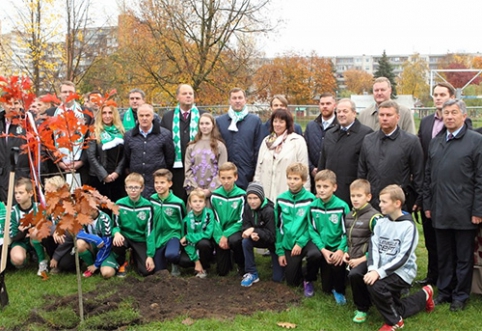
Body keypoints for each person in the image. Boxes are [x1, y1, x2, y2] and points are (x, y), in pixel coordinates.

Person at [423, 99, 482, 311]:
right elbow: (428, 176)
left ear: (463, 116)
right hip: (439, 210)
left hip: (465, 212)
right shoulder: (436, 142)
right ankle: (445, 292)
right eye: (446, 112)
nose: (449, 116)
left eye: (454, 112)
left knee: (463, 257)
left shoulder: (476, 141)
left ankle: (460, 296)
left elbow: (480, 179)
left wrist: (478, 210)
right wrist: (427, 204)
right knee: (444, 255)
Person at [416, 82, 471, 287]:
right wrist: (425, 199)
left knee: (458, 251)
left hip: (460, 202)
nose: (449, 116)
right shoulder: (431, 132)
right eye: (436, 95)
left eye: (453, 112)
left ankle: (457, 288)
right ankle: (439, 283)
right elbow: (426, 167)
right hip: (435, 199)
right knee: (438, 247)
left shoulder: (470, 134)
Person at [365, 185, 434, 330]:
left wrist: (379, 273)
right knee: (397, 306)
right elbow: (374, 248)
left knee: (376, 285)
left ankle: (395, 321)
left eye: (384, 201)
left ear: (397, 203)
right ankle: (425, 294)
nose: (380, 204)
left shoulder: (409, 227)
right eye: (380, 201)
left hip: (403, 271)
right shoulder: (381, 222)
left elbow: (403, 258)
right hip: (383, 269)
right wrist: (373, 269)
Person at [358, 100, 423, 210]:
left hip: (398, 202)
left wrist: (419, 199)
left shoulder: (411, 142)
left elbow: (418, 173)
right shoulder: (368, 140)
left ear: (398, 117)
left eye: (389, 115)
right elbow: (362, 171)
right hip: (373, 202)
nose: (384, 118)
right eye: (381, 115)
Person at [275, 162, 320, 294]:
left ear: (304, 180)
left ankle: (309, 278)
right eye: (289, 178)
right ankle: (299, 270)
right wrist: (280, 251)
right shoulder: (280, 199)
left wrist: (300, 243)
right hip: (289, 243)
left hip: (306, 240)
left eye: (296, 179)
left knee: (315, 255)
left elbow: (312, 225)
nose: (292, 182)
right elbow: (278, 227)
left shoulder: (311, 200)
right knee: (292, 283)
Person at [318, 98, 373, 206]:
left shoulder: (366, 134)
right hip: (329, 192)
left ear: (354, 113)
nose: (341, 114)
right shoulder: (330, 134)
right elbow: (322, 162)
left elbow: (367, 166)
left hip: (352, 192)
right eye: (338, 111)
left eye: (345, 111)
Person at [307, 170, 349, 304]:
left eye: (326, 187)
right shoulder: (313, 206)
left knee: (337, 266)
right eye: (318, 187)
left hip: (337, 247)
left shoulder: (342, 206)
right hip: (322, 246)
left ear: (334, 187)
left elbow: (347, 232)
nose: (321, 190)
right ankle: (309, 279)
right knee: (314, 255)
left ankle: (339, 290)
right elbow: (312, 230)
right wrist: (322, 249)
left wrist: (341, 250)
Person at [344, 179, 382, 323]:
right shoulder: (349, 215)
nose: (355, 199)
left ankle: (362, 308)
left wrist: (363, 259)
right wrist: (345, 251)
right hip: (351, 257)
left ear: (368, 197)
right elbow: (347, 237)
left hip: (368, 259)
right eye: (352, 196)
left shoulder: (375, 217)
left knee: (355, 274)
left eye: (359, 196)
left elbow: (379, 245)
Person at [161, 84, 206, 202]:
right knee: (178, 200)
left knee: (197, 201)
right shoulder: (168, 117)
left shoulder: (203, 116)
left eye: (190, 94)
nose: (188, 96)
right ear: (177, 97)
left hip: (199, 167)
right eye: (184, 94)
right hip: (176, 168)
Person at [254, 108, 309, 201]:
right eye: (275, 121)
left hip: (288, 194)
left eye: (281, 122)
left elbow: (304, 170)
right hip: (266, 194)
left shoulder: (297, 141)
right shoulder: (266, 141)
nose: (277, 124)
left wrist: (305, 196)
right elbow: (258, 170)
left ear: (287, 123)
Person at [45, 81, 93, 188]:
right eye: (64, 92)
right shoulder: (50, 113)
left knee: (79, 198)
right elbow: (47, 141)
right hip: (58, 166)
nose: (67, 95)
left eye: (70, 92)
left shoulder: (86, 113)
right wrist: (59, 162)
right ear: (60, 94)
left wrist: (81, 161)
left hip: (81, 166)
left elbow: (90, 140)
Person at [216, 88, 263, 190]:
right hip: (226, 175)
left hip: (247, 173)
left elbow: (258, 148)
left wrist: (255, 172)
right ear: (230, 101)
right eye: (234, 98)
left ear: (245, 100)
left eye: (240, 98)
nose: (237, 100)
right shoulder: (220, 121)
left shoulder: (255, 121)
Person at [124, 103, 174, 197]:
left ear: (153, 117)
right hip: (137, 183)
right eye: (141, 115)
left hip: (157, 182)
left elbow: (169, 158)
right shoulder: (128, 136)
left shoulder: (165, 134)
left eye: (147, 115)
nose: (144, 118)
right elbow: (127, 157)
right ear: (137, 117)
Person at [241, 182, 283, 287]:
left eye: (255, 198)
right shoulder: (247, 207)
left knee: (278, 279)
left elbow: (272, 235)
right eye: (249, 198)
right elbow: (245, 225)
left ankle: (279, 265)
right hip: (258, 238)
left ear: (261, 197)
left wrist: (254, 230)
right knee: (245, 242)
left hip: (273, 242)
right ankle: (252, 273)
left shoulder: (269, 211)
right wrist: (252, 234)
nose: (252, 202)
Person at [112, 173, 154, 277]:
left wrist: (150, 255)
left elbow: (150, 232)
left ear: (142, 188)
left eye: (136, 187)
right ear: (125, 188)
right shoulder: (119, 204)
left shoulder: (148, 206)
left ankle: (134, 258)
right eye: (130, 187)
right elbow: (115, 225)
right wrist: (116, 233)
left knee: (146, 271)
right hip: (125, 237)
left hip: (140, 239)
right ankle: (122, 263)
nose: (133, 190)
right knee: (117, 243)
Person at [210, 162, 246, 276]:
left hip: (235, 231)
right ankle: (227, 258)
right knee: (222, 272)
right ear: (219, 178)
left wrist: (226, 235)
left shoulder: (242, 195)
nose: (226, 181)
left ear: (235, 177)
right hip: (220, 232)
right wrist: (219, 237)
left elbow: (242, 220)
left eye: (229, 178)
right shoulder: (214, 195)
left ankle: (241, 264)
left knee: (235, 241)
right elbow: (214, 219)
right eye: (223, 178)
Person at [148, 169, 186, 275]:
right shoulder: (152, 200)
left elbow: (183, 221)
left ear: (170, 184)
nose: (158, 185)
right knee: (159, 271)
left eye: (162, 182)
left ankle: (175, 264)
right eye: (156, 182)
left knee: (172, 255)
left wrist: (183, 237)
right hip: (157, 238)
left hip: (173, 235)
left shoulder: (178, 202)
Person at [9, 178, 48, 276]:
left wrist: (29, 230)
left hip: (35, 239)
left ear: (30, 193)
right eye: (16, 193)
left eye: (21, 193)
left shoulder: (39, 208)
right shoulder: (13, 212)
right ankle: (26, 258)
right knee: (18, 260)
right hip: (20, 241)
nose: (17, 196)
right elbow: (14, 236)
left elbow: (45, 228)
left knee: (35, 232)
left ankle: (42, 262)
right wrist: (22, 233)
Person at [184, 113, 227, 200]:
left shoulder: (220, 146)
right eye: (202, 123)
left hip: (213, 192)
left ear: (213, 125)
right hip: (195, 192)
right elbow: (188, 170)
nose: (204, 126)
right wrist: (196, 188)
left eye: (207, 123)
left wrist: (210, 190)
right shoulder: (191, 146)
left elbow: (222, 170)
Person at [87, 104, 126, 203]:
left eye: (110, 113)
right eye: (104, 113)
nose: (107, 116)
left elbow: (124, 155)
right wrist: (104, 175)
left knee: (117, 206)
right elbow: (91, 156)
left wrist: (117, 172)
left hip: (117, 177)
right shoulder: (94, 131)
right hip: (98, 177)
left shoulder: (121, 131)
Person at [41, 176, 76, 273]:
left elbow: (70, 235)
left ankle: (57, 260)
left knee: (65, 264)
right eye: (45, 191)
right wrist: (55, 230)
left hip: (70, 243)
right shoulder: (47, 206)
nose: (45, 194)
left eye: (49, 192)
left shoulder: (69, 206)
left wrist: (57, 256)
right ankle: (53, 260)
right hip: (57, 239)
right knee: (44, 235)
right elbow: (43, 223)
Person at [304, 92, 338, 191]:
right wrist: (311, 168)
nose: (325, 106)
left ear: (334, 105)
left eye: (328, 104)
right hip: (313, 177)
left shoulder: (339, 126)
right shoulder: (311, 126)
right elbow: (305, 149)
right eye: (322, 104)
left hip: (333, 177)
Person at [0, 98, 31, 202]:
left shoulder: (28, 122)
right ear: (2, 104)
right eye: (9, 103)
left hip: (21, 179)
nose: (13, 106)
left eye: (16, 103)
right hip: (2, 178)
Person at [180, 188, 215, 279]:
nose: (198, 203)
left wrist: (188, 236)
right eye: (195, 201)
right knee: (183, 261)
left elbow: (207, 234)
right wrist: (196, 261)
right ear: (190, 204)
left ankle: (205, 267)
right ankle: (197, 264)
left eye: (200, 201)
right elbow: (185, 243)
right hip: (192, 247)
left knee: (204, 243)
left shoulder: (209, 214)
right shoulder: (186, 220)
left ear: (204, 203)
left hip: (207, 246)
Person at [77, 209, 118, 279]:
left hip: (105, 250)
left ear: (96, 208)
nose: (87, 210)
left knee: (107, 273)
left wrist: (96, 265)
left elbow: (107, 245)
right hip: (93, 246)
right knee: (79, 244)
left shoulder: (104, 219)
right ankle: (91, 267)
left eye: (90, 208)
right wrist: (95, 239)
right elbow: (77, 233)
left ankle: (100, 265)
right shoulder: (81, 215)